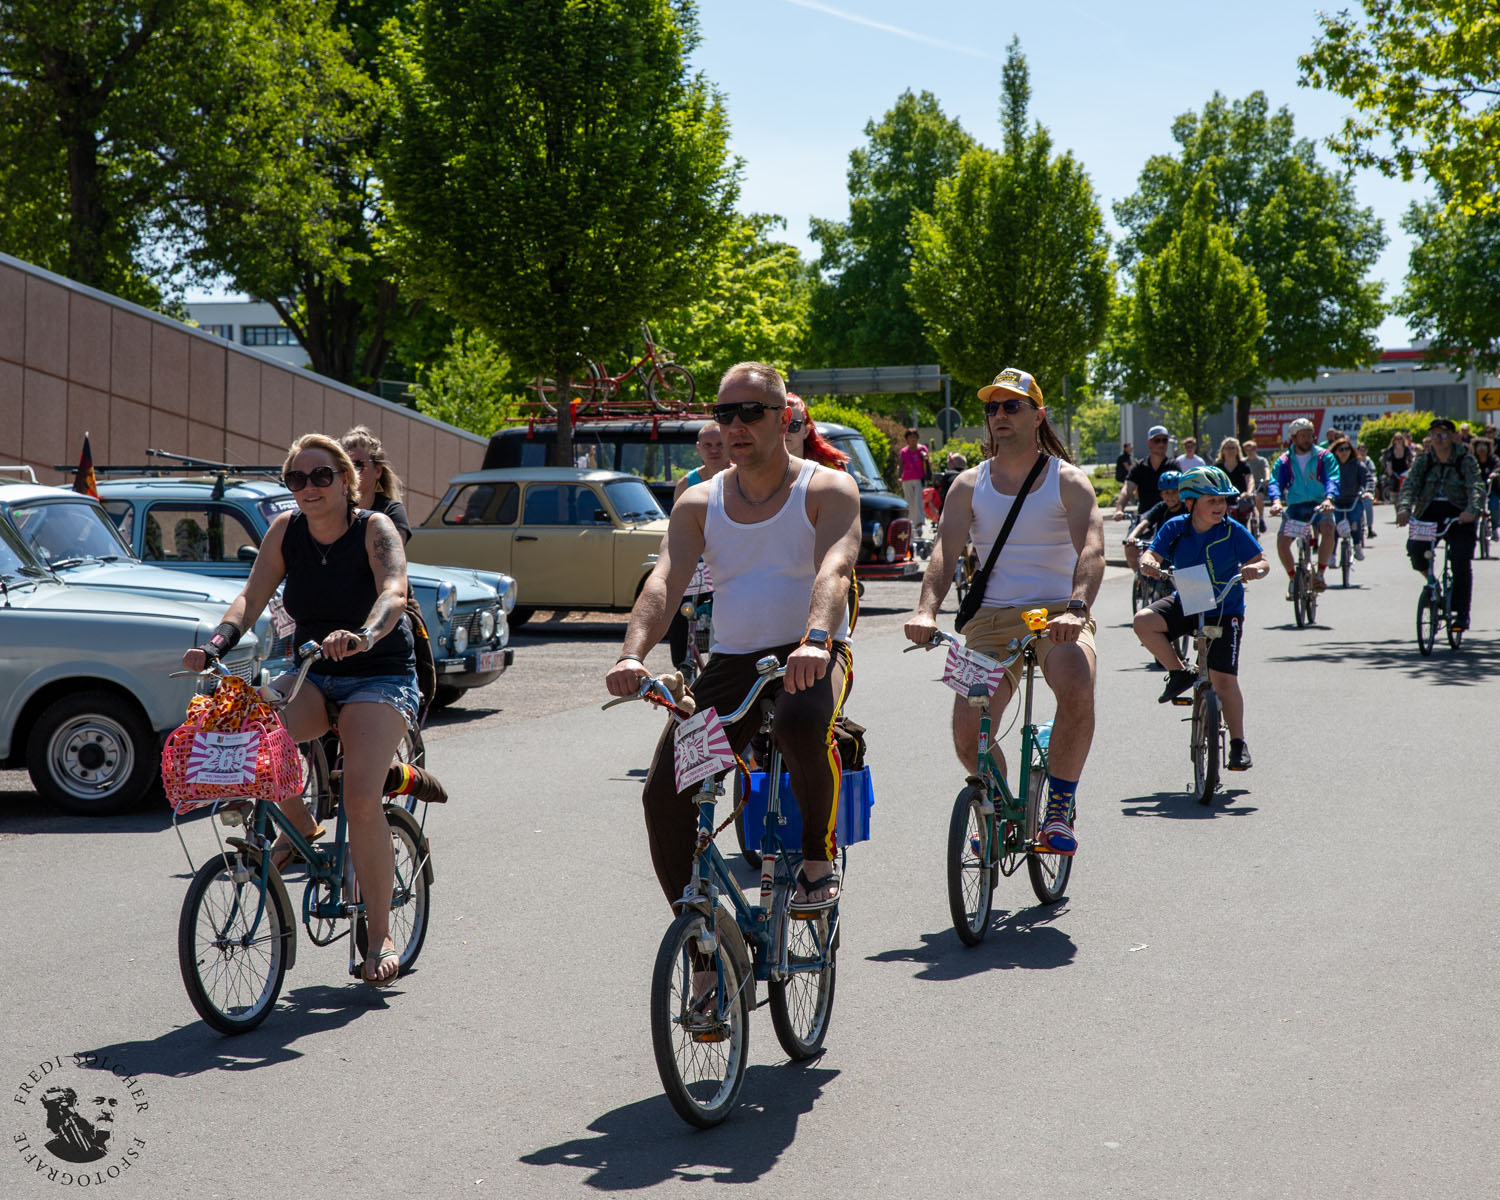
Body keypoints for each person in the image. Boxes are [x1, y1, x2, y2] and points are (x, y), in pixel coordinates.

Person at [606, 362, 861, 918]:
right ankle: (704, 942)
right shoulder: (700, 500)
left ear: (785, 416)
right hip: (734, 661)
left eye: (752, 411)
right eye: (725, 413)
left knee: (798, 722)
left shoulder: (828, 486)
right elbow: (666, 580)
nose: (735, 425)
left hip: (814, 652)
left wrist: (816, 639)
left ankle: (818, 859)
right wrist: (632, 654)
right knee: (665, 794)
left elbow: (836, 569)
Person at [181, 433, 419, 986]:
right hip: (315, 671)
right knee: (249, 725)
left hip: (378, 673)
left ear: (346, 480)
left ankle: (379, 935)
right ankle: (305, 828)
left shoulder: (374, 528)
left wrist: (363, 635)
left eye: (320, 477)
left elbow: (394, 592)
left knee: (361, 797)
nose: (307, 488)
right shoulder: (286, 530)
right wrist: (218, 643)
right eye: (295, 479)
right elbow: (252, 595)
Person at [905, 366, 1104, 856]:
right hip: (991, 619)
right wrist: (926, 610)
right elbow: (943, 554)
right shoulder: (969, 485)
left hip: (1055, 614)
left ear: (1038, 415)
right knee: (967, 729)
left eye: (1011, 405)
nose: (999, 415)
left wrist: (1076, 609)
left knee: (1076, 681)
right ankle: (995, 805)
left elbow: (1093, 550)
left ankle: (1058, 809)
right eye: (991, 407)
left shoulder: (1069, 482)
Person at [1132, 466, 1270, 771]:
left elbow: (1262, 561)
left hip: (1225, 606)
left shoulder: (1232, 529)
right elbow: (1153, 555)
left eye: (1223, 500)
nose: (1220, 506)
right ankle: (1179, 672)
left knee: (1224, 680)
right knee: (1143, 621)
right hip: (1191, 597)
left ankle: (1238, 744)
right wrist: (1149, 563)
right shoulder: (1175, 527)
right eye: (1212, 500)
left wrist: (1255, 569)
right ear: (1191, 502)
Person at [1398, 417, 1483, 632]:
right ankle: (1433, 585)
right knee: (1417, 552)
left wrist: (1472, 511)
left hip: (1459, 514)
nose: (1438, 438)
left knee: (1460, 560)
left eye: (1443, 434)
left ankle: (1461, 614)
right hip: (1429, 511)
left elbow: (1476, 487)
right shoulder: (1424, 461)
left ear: (1454, 437)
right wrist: (1405, 508)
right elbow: (1410, 485)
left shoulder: (1466, 460)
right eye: (1434, 434)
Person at [1267, 418, 1339, 595]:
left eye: (1309, 435)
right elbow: (1275, 481)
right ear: (1293, 438)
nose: (1307, 439)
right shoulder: (1284, 460)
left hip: (1320, 504)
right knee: (1282, 541)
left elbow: (1333, 478)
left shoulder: (1324, 456)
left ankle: (1320, 574)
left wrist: (1329, 498)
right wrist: (1276, 501)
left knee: (1329, 528)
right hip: (1296, 506)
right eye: (1302, 436)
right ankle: (1293, 579)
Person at [340, 426, 411, 544]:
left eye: (358, 464)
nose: (351, 472)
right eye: (346, 466)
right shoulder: (333, 508)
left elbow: (394, 551)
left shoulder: (392, 511)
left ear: (378, 471)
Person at [1124, 470, 1184, 574]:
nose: (1170, 497)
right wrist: (1132, 536)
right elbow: (1144, 524)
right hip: (1161, 549)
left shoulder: (1186, 508)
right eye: (1166, 493)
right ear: (1161, 494)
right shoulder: (1161, 508)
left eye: (1174, 492)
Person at [1328, 435, 1375, 560]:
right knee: (1333, 525)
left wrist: (1368, 492)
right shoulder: (1331, 465)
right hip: (1336, 501)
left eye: (1347, 449)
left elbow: (1368, 479)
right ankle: (1332, 554)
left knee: (1355, 522)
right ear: (1335, 452)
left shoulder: (1358, 464)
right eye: (1341, 449)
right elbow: (1323, 481)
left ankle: (1357, 546)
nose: (1344, 452)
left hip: (1353, 501)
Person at [1115, 425, 1175, 519]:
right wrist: (1119, 509)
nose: (1161, 444)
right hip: (1145, 518)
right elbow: (1127, 489)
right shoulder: (1140, 467)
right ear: (1149, 442)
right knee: (1132, 534)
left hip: (1169, 519)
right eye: (1157, 440)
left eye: (1164, 440)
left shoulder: (1173, 466)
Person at [41, 1086, 113, 1163]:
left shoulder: (107, 1142)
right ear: (76, 1104)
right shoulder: (56, 1149)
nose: (107, 1111)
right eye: (98, 1102)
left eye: (113, 1103)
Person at [783, 394, 851, 469]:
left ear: (806, 431)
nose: (785, 431)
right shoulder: (768, 467)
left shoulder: (828, 466)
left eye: (794, 425)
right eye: (781, 424)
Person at [673, 420, 726, 503]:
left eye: (720, 444)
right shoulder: (685, 484)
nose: (714, 450)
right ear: (698, 448)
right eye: (707, 445)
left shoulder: (743, 476)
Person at [1214, 436, 1258, 530]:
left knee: (1242, 519)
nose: (1230, 450)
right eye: (1227, 448)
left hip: (1240, 498)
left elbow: (1250, 479)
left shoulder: (1244, 466)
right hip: (1223, 499)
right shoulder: (1218, 467)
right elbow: (1212, 481)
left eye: (1233, 448)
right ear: (1223, 451)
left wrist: (1248, 492)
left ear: (1237, 450)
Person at [898, 427, 931, 534]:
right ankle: (911, 524)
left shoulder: (922, 450)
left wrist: (925, 458)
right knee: (909, 502)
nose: (913, 440)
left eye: (914, 437)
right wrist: (899, 477)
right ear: (907, 439)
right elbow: (901, 466)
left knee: (918, 502)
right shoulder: (904, 451)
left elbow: (928, 463)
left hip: (919, 479)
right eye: (910, 438)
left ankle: (920, 524)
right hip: (906, 479)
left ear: (917, 438)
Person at [1471, 436, 1499, 541]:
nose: (1482, 450)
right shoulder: (1472, 460)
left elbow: (1498, 466)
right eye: (1479, 448)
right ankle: (1472, 530)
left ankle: (1495, 527)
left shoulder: (1493, 459)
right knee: (1474, 507)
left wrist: (1494, 473)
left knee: (1494, 505)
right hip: (1476, 490)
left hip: (1491, 489)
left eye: (1484, 448)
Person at [1243, 439, 1270, 532]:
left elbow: (1266, 469)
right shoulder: (1243, 462)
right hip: (1247, 486)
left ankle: (1261, 518)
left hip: (1259, 484)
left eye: (1251, 450)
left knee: (1258, 497)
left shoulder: (1261, 460)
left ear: (1256, 449)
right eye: (1247, 450)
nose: (1249, 452)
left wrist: (1267, 478)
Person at [1382, 431, 1415, 503]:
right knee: (1395, 496)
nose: (1399, 440)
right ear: (1394, 440)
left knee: (1405, 493)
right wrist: (1391, 473)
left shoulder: (1406, 449)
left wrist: (1410, 471)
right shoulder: (1390, 450)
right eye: (1397, 439)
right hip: (1395, 473)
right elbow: (1388, 462)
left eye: (1400, 438)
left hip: (1405, 472)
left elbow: (1411, 460)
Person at [1354, 442, 1378, 538]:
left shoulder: (1368, 461)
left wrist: (1370, 489)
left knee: (1368, 504)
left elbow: (1372, 476)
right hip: (1357, 489)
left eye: (1364, 450)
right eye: (1361, 450)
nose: (1363, 452)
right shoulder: (1355, 462)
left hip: (1367, 489)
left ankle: (1370, 528)